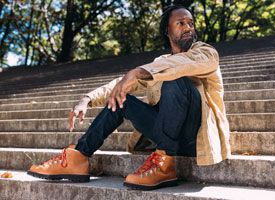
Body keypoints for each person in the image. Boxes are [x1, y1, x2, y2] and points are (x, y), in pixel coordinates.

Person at [27, 5, 231, 190]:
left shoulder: (206, 52)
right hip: (165, 131)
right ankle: (79, 157)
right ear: (167, 31)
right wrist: (87, 98)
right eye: (180, 23)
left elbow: (180, 65)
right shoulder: (160, 62)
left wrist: (137, 72)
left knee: (174, 79)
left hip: (194, 138)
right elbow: (123, 82)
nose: (188, 27)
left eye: (190, 23)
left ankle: (164, 165)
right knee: (122, 97)